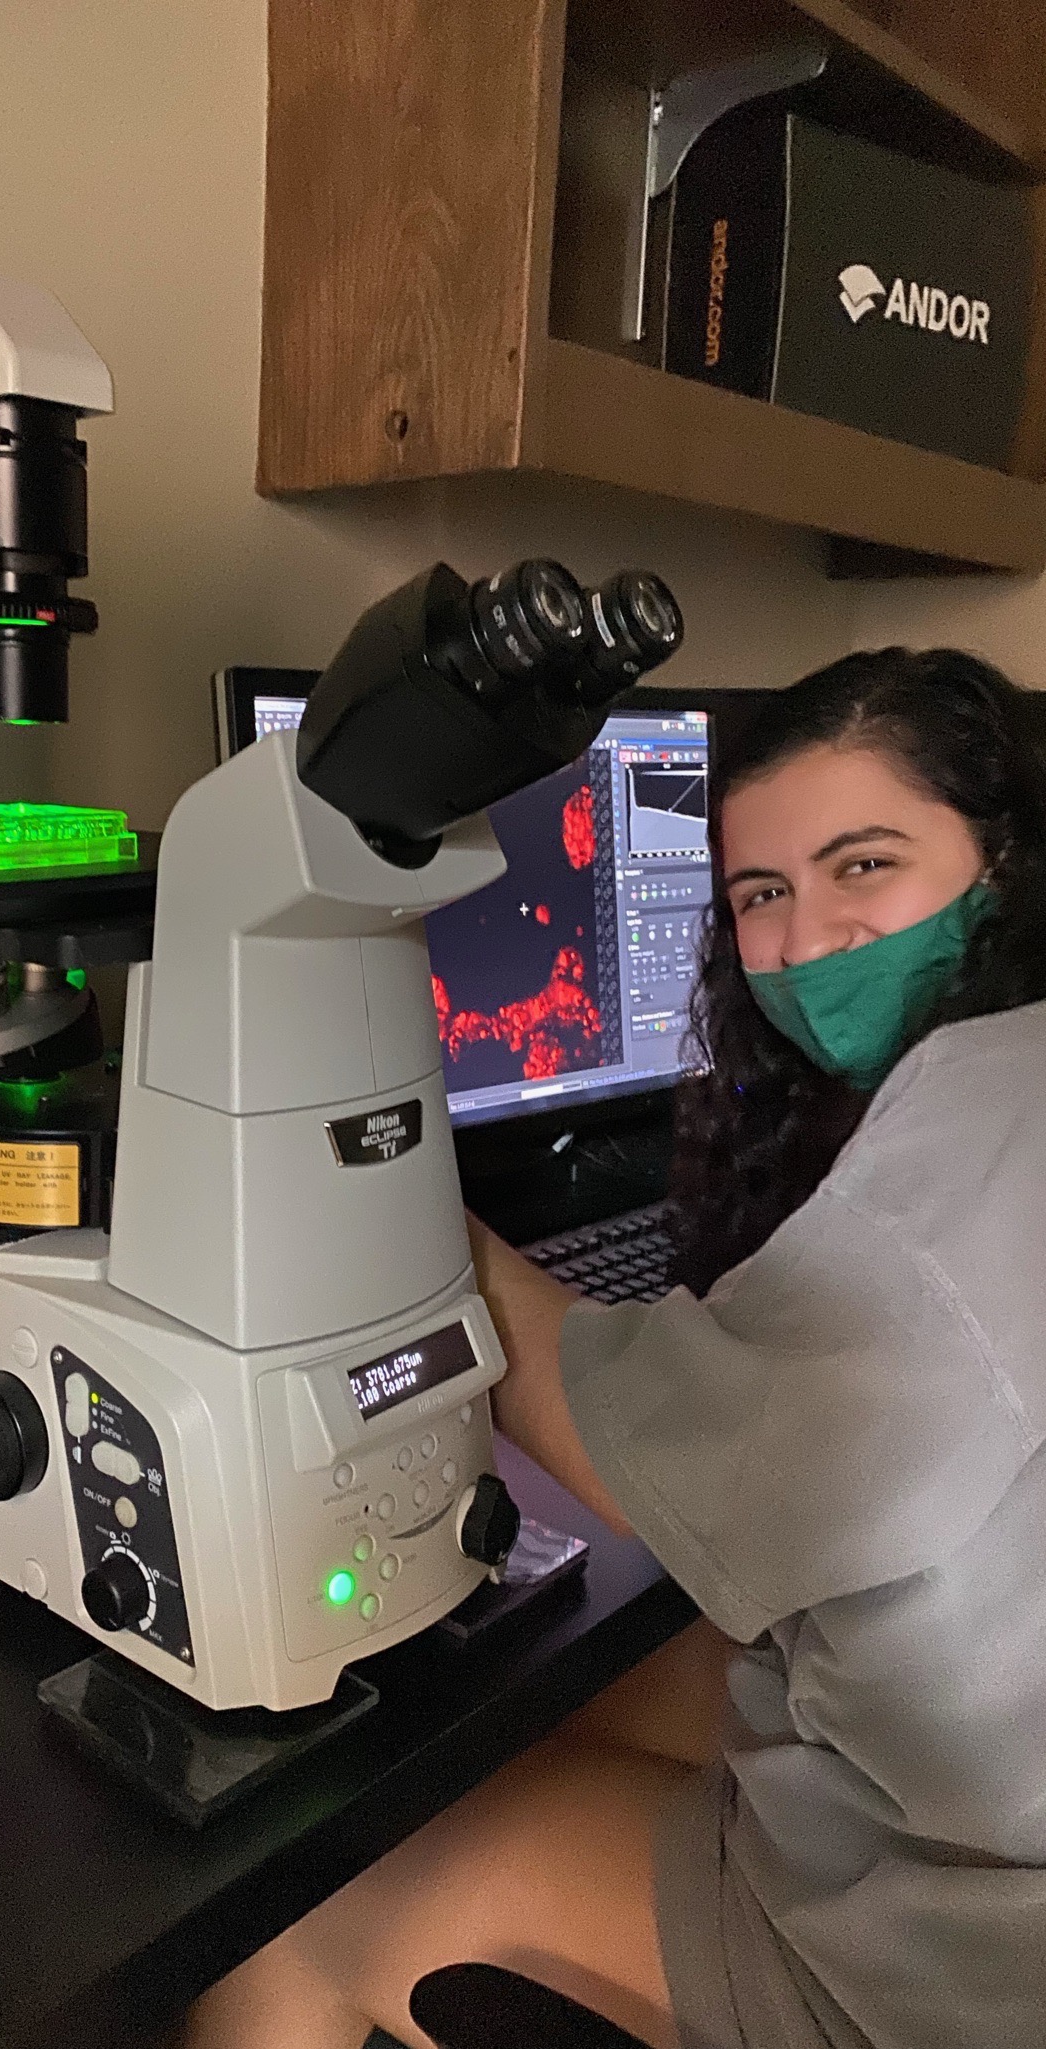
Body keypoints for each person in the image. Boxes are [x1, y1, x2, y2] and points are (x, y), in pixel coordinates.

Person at [181, 648, 1046, 2049]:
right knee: (572, 1713)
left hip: (957, 1986)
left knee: (295, 1896)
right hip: (991, 1818)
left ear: (1003, 856)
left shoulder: (977, 1138)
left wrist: (383, 1192)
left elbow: (624, 1445)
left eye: (865, 866)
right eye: (760, 893)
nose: (809, 942)